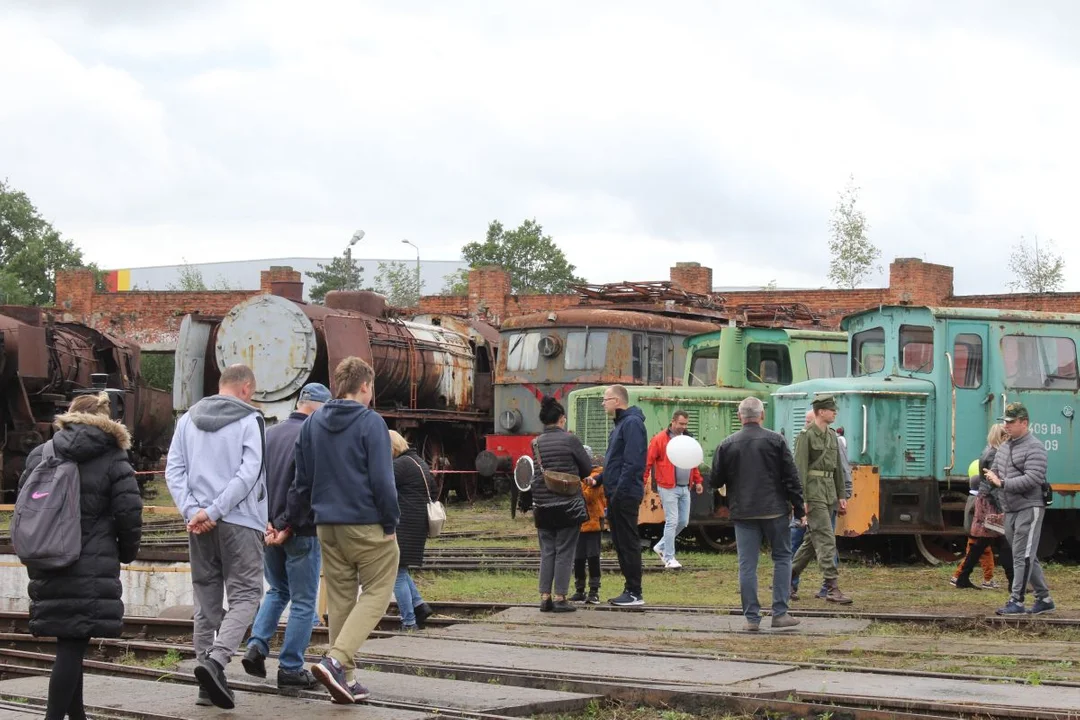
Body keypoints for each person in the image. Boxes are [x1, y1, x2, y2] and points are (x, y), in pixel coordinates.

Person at [20, 393, 142, 720]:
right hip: (91, 561)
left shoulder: (42, 453)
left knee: (72, 639)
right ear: (105, 419)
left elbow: (26, 506)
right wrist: (127, 552)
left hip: (48, 556)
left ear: (70, 415)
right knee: (71, 646)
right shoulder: (113, 457)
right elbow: (129, 512)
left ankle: (77, 716)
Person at [293, 356, 400, 704]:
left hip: (327, 525)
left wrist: (296, 521)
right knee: (377, 593)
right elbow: (383, 480)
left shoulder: (311, 424)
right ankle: (336, 661)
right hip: (366, 523)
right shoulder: (372, 423)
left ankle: (347, 680)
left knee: (340, 600)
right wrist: (390, 522)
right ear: (365, 385)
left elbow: (301, 481)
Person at [165, 364, 267, 709]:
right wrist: (217, 509)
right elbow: (249, 472)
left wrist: (194, 511)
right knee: (246, 596)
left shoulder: (187, 420)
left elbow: (174, 470)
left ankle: (206, 686)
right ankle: (217, 661)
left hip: (199, 523)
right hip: (240, 520)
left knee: (206, 598)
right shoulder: (250, 420)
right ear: (246, 388)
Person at [242, 383, 329, 690]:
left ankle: (256, 646)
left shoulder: (271, 434)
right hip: (298, 529)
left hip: (269, 528)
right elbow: (302, 488)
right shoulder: (314, 437)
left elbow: (256, 481)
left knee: (278, 590)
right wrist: (288, 526)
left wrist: (268, 523)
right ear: (318, 407)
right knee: (305, 601)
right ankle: (291, 668)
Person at [711, 397, 804, 631]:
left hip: (743, 513)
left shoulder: (726, 444)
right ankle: (780, 613)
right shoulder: (777, 440)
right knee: (782, 557)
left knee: (747, 565)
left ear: (739, 416)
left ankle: (752, 618)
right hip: (776, 512)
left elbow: (715, 480)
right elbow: (792, 479)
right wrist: (800, 509)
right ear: (762, 415)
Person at [986, 403, 1054, 615]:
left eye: (1011, 422)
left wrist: (1002, 483)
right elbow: (996, 470)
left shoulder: (1035, 447)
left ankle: (1017, 601)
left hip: (1029, 506)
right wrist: (991, 478)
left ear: (1024, 423)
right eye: (1004, 421)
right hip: (1011, 508)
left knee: (1022, 556)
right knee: (1025, 554)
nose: (1006, 425)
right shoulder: (1006, 446)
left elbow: (1033, 479)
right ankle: (1044, 599)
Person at [531, 396, 593, 612]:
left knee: (547, 551)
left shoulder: (536, 443)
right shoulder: (571, 441)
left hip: (543, 506)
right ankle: (560, 597)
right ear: (561, 419)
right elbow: (586, 469)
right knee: (565, 551)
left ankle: (544, 597)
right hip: (567, 505)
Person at [790, 395, 852, 604]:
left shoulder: (832, 436)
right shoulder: (805, 436)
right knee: (826, 538)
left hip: (828, 494)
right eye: (831, 409)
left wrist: (841, 495)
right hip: (813, 494)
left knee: (811, 542)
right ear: (820, 411)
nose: (834, 412)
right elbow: (800, 469)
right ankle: (832, 587)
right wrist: (802, 499)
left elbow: (837, 470)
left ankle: (786, 580)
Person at [595, 384, 648, 606]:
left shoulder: (632, 424)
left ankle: (635, 592)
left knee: (627, 542)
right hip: (616, 491)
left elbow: (632, 463)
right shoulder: (620, 425)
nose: (603, 404)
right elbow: (615, 462)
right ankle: (630, 589)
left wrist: (618, 492)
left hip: (623, 494)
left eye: (605, 400)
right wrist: (598, 479)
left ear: (617, 401)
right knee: (621, 541)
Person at [389, 429, 438, 631]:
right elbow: (434, 492)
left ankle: (409, 622)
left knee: (395, 573)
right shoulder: (419, 462)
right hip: (417, 524)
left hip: (403, 525)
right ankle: (419, 605)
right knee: (401, 569)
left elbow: (382, 488)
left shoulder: (399, 466)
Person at [952, 424, 1010, 590]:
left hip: (985, 500)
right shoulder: (995, 454)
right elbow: (994, 482)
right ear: (1002, 437)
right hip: (992, 503)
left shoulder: (987, 450)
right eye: (1006, 436)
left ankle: (962, 577)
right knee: (1002, 542)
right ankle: (1013, 583)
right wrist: (1002, 507)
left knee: (983, 543)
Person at [647, 410, 704, 569]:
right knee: (672, 521)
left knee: (683, 521)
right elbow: (648, 461)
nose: (683, 427)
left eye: (685, 424)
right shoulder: (659, 439)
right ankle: (669, 557)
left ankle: (661, 546)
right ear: (673, 421)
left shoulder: (687, 439)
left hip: (685, 486)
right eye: (681, 424)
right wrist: (642, 481)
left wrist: (698, 480)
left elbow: (693, 462)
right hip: (667, 487)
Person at [571, 452, 606, 605]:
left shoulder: (597, 477)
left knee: (593, 557)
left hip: (593, 522)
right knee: (577, 559)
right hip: (578, 523)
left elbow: (589, 497)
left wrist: (574, 488)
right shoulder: (579, 476)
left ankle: (594, 591)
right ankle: (579, 590)